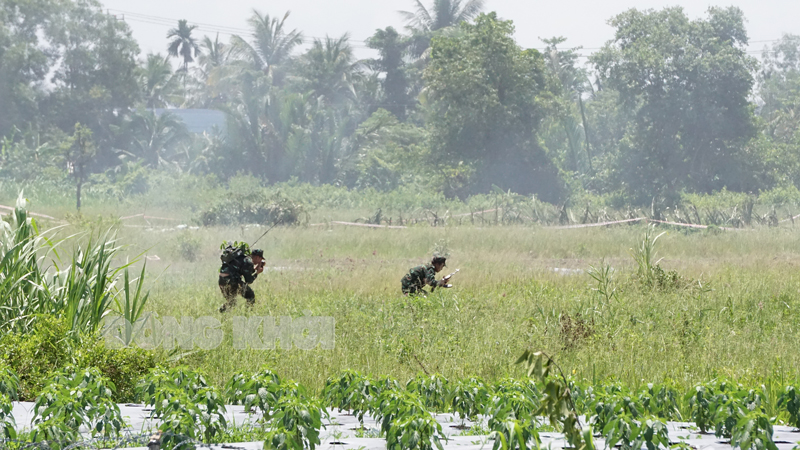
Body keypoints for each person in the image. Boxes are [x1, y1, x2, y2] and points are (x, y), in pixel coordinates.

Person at [218, 244, 265, 313]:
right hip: (232, 281)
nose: (260, 261)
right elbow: (249, 281)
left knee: (232, 302)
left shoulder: (243, 259)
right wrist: (257, 273)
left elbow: (243, 271)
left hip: (222, 281)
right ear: (257, 257)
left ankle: (220, 312)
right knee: (250, 295)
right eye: (260, 259)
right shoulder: (249, 262)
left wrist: (254, 269)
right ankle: (248, 313)